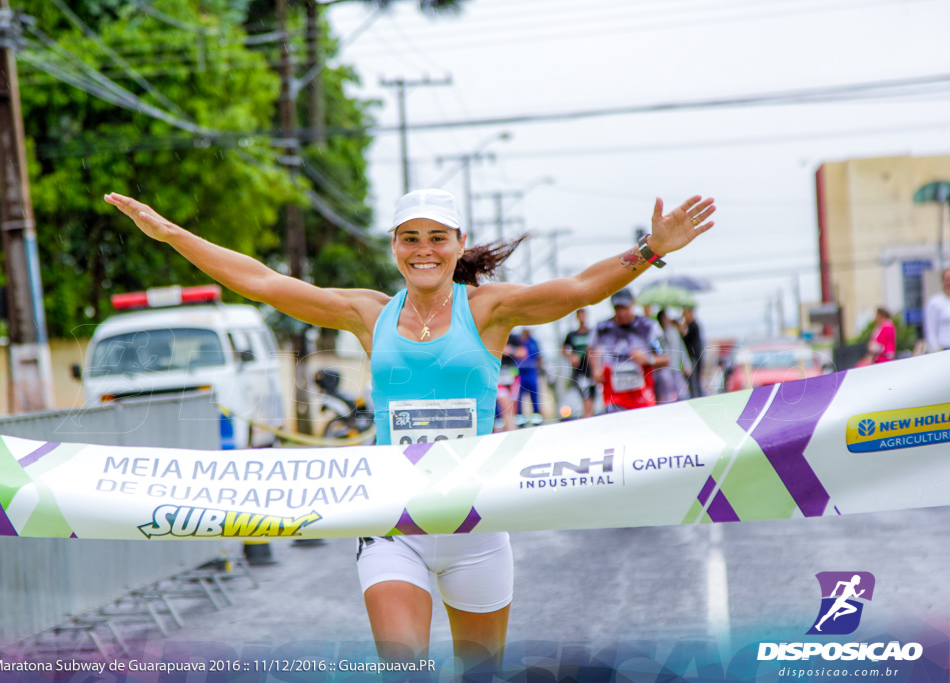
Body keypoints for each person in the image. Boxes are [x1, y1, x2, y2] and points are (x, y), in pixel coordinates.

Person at [104, 187, 716, 675]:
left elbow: (580, 289)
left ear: (458, 245)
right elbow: (263, 282)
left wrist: (650, 248)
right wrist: (172, 234)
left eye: (437, 239)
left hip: (477, 528)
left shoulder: (490, 310)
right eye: (411, 239)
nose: (424, 250)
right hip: (394, 528)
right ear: (395, 246)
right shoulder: (370, 314)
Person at [591, 289, 668, 412]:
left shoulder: (649, 326)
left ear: (633, 304)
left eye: (624, 307)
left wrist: (648, 358)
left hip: (642, 395)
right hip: (614, 395)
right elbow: (592, 348)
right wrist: (595, 369)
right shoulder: (602, 328)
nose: (621, 313)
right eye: (617, 308)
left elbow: (667, 357)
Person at [562, 308, 596, 418]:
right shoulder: (571, 335)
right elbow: (563, 349)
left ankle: (591, 416)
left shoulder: (592, 332)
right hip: (580, 371)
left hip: (592, 370)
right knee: (586, 397)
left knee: (593, 396)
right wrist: (571, 357)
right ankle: (588, 417)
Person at [654, 309, 691, 403]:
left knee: (682, 394)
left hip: (675, 367)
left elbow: (681, 348)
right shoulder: (658, 333)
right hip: (664, 369)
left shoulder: (674, 331)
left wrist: (687, 365)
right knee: (667, 395)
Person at [514, 328, 543, 426]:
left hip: (532, 371)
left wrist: (539, 369)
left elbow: (539, 356)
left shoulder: (534, 342)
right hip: (519, 372)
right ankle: (520, 416)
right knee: (519, 395)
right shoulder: (517, 341)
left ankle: (536, 414)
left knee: (534, 394)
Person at [679, 306, 705, 397]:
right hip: (695, 358)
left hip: (693, 359)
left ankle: (696, 399)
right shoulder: (694, 326)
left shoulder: (693, 326)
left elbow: (685, 340)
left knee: (694, 383)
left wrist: (682, 329)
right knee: (695, 383)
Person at [924, 267, 950, 353]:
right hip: (944, 347)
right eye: (947, 279)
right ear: (943, 281)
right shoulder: (935, 302)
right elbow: (931, 329)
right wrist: (936, 348)